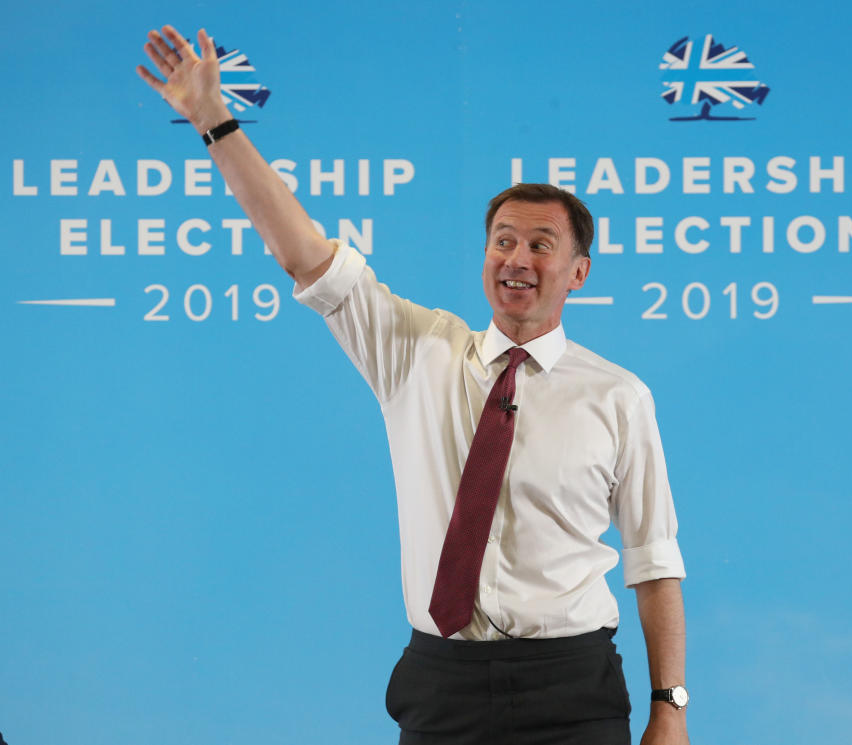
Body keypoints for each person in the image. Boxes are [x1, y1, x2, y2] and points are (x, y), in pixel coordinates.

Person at [137, 25, 690, 745]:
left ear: (577, 272)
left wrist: (669, 708)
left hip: (573, 686)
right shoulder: (416, 351)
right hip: (443, 687)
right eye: (502, 240)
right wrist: (215, 120)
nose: (516, 258)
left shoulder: (619, 396)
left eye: (540, 245)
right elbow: (303, 252)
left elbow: (654, 562)